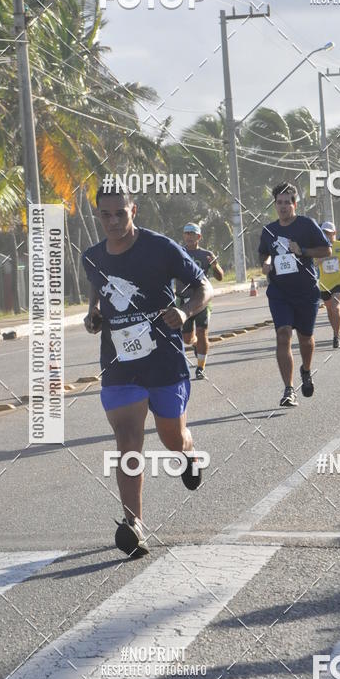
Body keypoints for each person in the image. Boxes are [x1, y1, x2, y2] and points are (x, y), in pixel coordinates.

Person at [82, 187, 213, 558]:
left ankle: (188, 453)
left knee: (172, 437)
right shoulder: (91, 257)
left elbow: (204, 287)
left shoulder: (161, 247)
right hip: (120, 365)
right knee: (127, 439)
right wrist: (93, 315)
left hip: (165, 362)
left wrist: (186, 312)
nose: (113, 222)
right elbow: (97, 289)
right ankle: (135, 525)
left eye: (120, 214)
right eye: (105, 215)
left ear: (133, 210)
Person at [258, 183, 331, 407]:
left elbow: (326, 250)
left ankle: (306, 370)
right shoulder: (269, 230)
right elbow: (264, 254)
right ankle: (289, 389)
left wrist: (303, 251)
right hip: (279, 291)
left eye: (287, 202)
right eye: (279, 203)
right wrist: (266, 264)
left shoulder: (306, 225)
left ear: (294, 204)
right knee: (283, 334)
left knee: (306, 339)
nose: (282, 207)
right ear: (275, 205)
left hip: (306, 290)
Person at [175, 222, 224, 380]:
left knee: (202, 331)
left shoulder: (206, 254)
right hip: (183, 300)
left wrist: (215, 266)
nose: (189, 236)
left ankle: (200, 368)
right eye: (186, 233)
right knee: (187, 338)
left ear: (199, 236)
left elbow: (220, 277)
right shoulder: (177, 252)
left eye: (192, 233)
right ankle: (195, 344)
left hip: (202, 300)